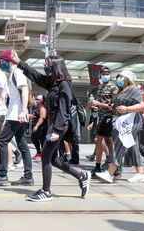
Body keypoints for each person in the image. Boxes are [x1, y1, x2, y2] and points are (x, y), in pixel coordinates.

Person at [11, 50, 90, 202]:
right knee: (53, 159)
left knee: (46, 156)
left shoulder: (64, 85)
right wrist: (19, 62)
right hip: (52, 125)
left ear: (56, 67)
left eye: (48, 65)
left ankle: (46, 191)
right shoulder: (53, 83)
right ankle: (81, 176)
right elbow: (35, 75)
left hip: (58, 126)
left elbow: (63, 109)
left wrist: (57, 130)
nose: (45, 67)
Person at [0, 49, 33, 186]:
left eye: (2, 61)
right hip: (15, 113)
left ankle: (2, 174)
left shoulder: (18, 72)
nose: (2, 64)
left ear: (6, 61)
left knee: (2, 141)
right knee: (22, 145)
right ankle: (28, 176)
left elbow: (25, 90)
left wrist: (23, 111)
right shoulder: (12, 73)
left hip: (16, 114)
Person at [95, 71, 144, 183]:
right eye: (118, 76)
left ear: (128, 78)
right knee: (133, 147)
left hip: (131, 121)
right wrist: (113, 107)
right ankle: (140, 174)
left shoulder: (133, 89)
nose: (119, 78)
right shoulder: (121, 90)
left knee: (120, 144)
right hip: (123, 120)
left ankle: (110, 173)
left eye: (121, 76)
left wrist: (126, 109)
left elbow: (142, 105)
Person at [90, 67, 117, 174]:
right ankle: (105, 163)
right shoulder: (100, 87)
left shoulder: (113, 87)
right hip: (100, 116)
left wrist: (98, 104)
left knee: (103, 140)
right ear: (100, 75)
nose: (105, 75)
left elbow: (113, 106)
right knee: (104, 141)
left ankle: (112, 163)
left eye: (107, 73)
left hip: (109, 117)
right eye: (103, 73)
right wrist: (93, 105)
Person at [30, 95, 47, 160]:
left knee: (42, 141)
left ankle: (44, 155)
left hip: (41, 127)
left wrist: (37, 126)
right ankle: (39, 152)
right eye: (36, 99)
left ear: (41, 100)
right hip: (36, 127)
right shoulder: (38, 107)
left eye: (38, 99)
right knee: (33, 138)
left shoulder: (42, 108)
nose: (36, 101)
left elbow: (42, 117)